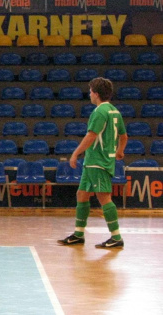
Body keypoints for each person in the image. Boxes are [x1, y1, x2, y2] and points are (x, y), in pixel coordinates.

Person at [58, 77, 128, 249]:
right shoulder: (114, 111)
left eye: (90, 91)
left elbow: (91, 135)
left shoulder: (99, 112)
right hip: (94, 162)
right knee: (81, 194)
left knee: (103, 197)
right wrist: (120, 150)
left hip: (98, 161)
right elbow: (124, 136)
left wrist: (75, 153)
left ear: (96, 94)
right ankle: (78, 234)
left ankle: (116, 236)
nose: (89, 94)